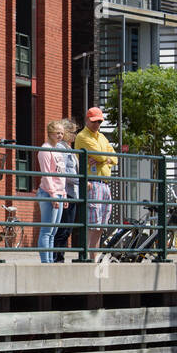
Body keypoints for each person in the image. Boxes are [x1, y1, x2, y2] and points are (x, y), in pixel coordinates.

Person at [74, 108, 117, 256]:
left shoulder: (102, 137)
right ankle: (88, 256)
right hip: (92, 182)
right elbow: (101, 155)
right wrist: (105, 158)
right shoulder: (82, 136)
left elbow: (115, 157)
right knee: (93, 223)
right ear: (87, 120)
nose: (96, 124)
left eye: (99, 121)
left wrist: (104, 159)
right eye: (94, 121)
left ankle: (95, 256)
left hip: (104, 183)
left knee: (101, 224)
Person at [36, 121, 68, 264]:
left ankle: (50, 260)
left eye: (62, 133)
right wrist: (53, 194)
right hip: (48, 192)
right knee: (47, 230)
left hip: (59, 192)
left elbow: (61, 174)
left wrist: (64, 193)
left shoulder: (59, 150)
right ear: (50, 133)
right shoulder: (45, 149)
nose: (60, 135)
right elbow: (46, 174)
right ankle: (46, 262)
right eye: (57, 133)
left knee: (54, 231)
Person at [53, 118, 80, 262]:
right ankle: (57, 258)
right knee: (63, 228)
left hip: (72, 192)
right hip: (66, 192)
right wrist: (80, 180)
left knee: (67, 228)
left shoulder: (67, 147)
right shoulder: (61, 148)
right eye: (73, 132)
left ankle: (59, 257)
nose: (75, 135)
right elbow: (62, 169)